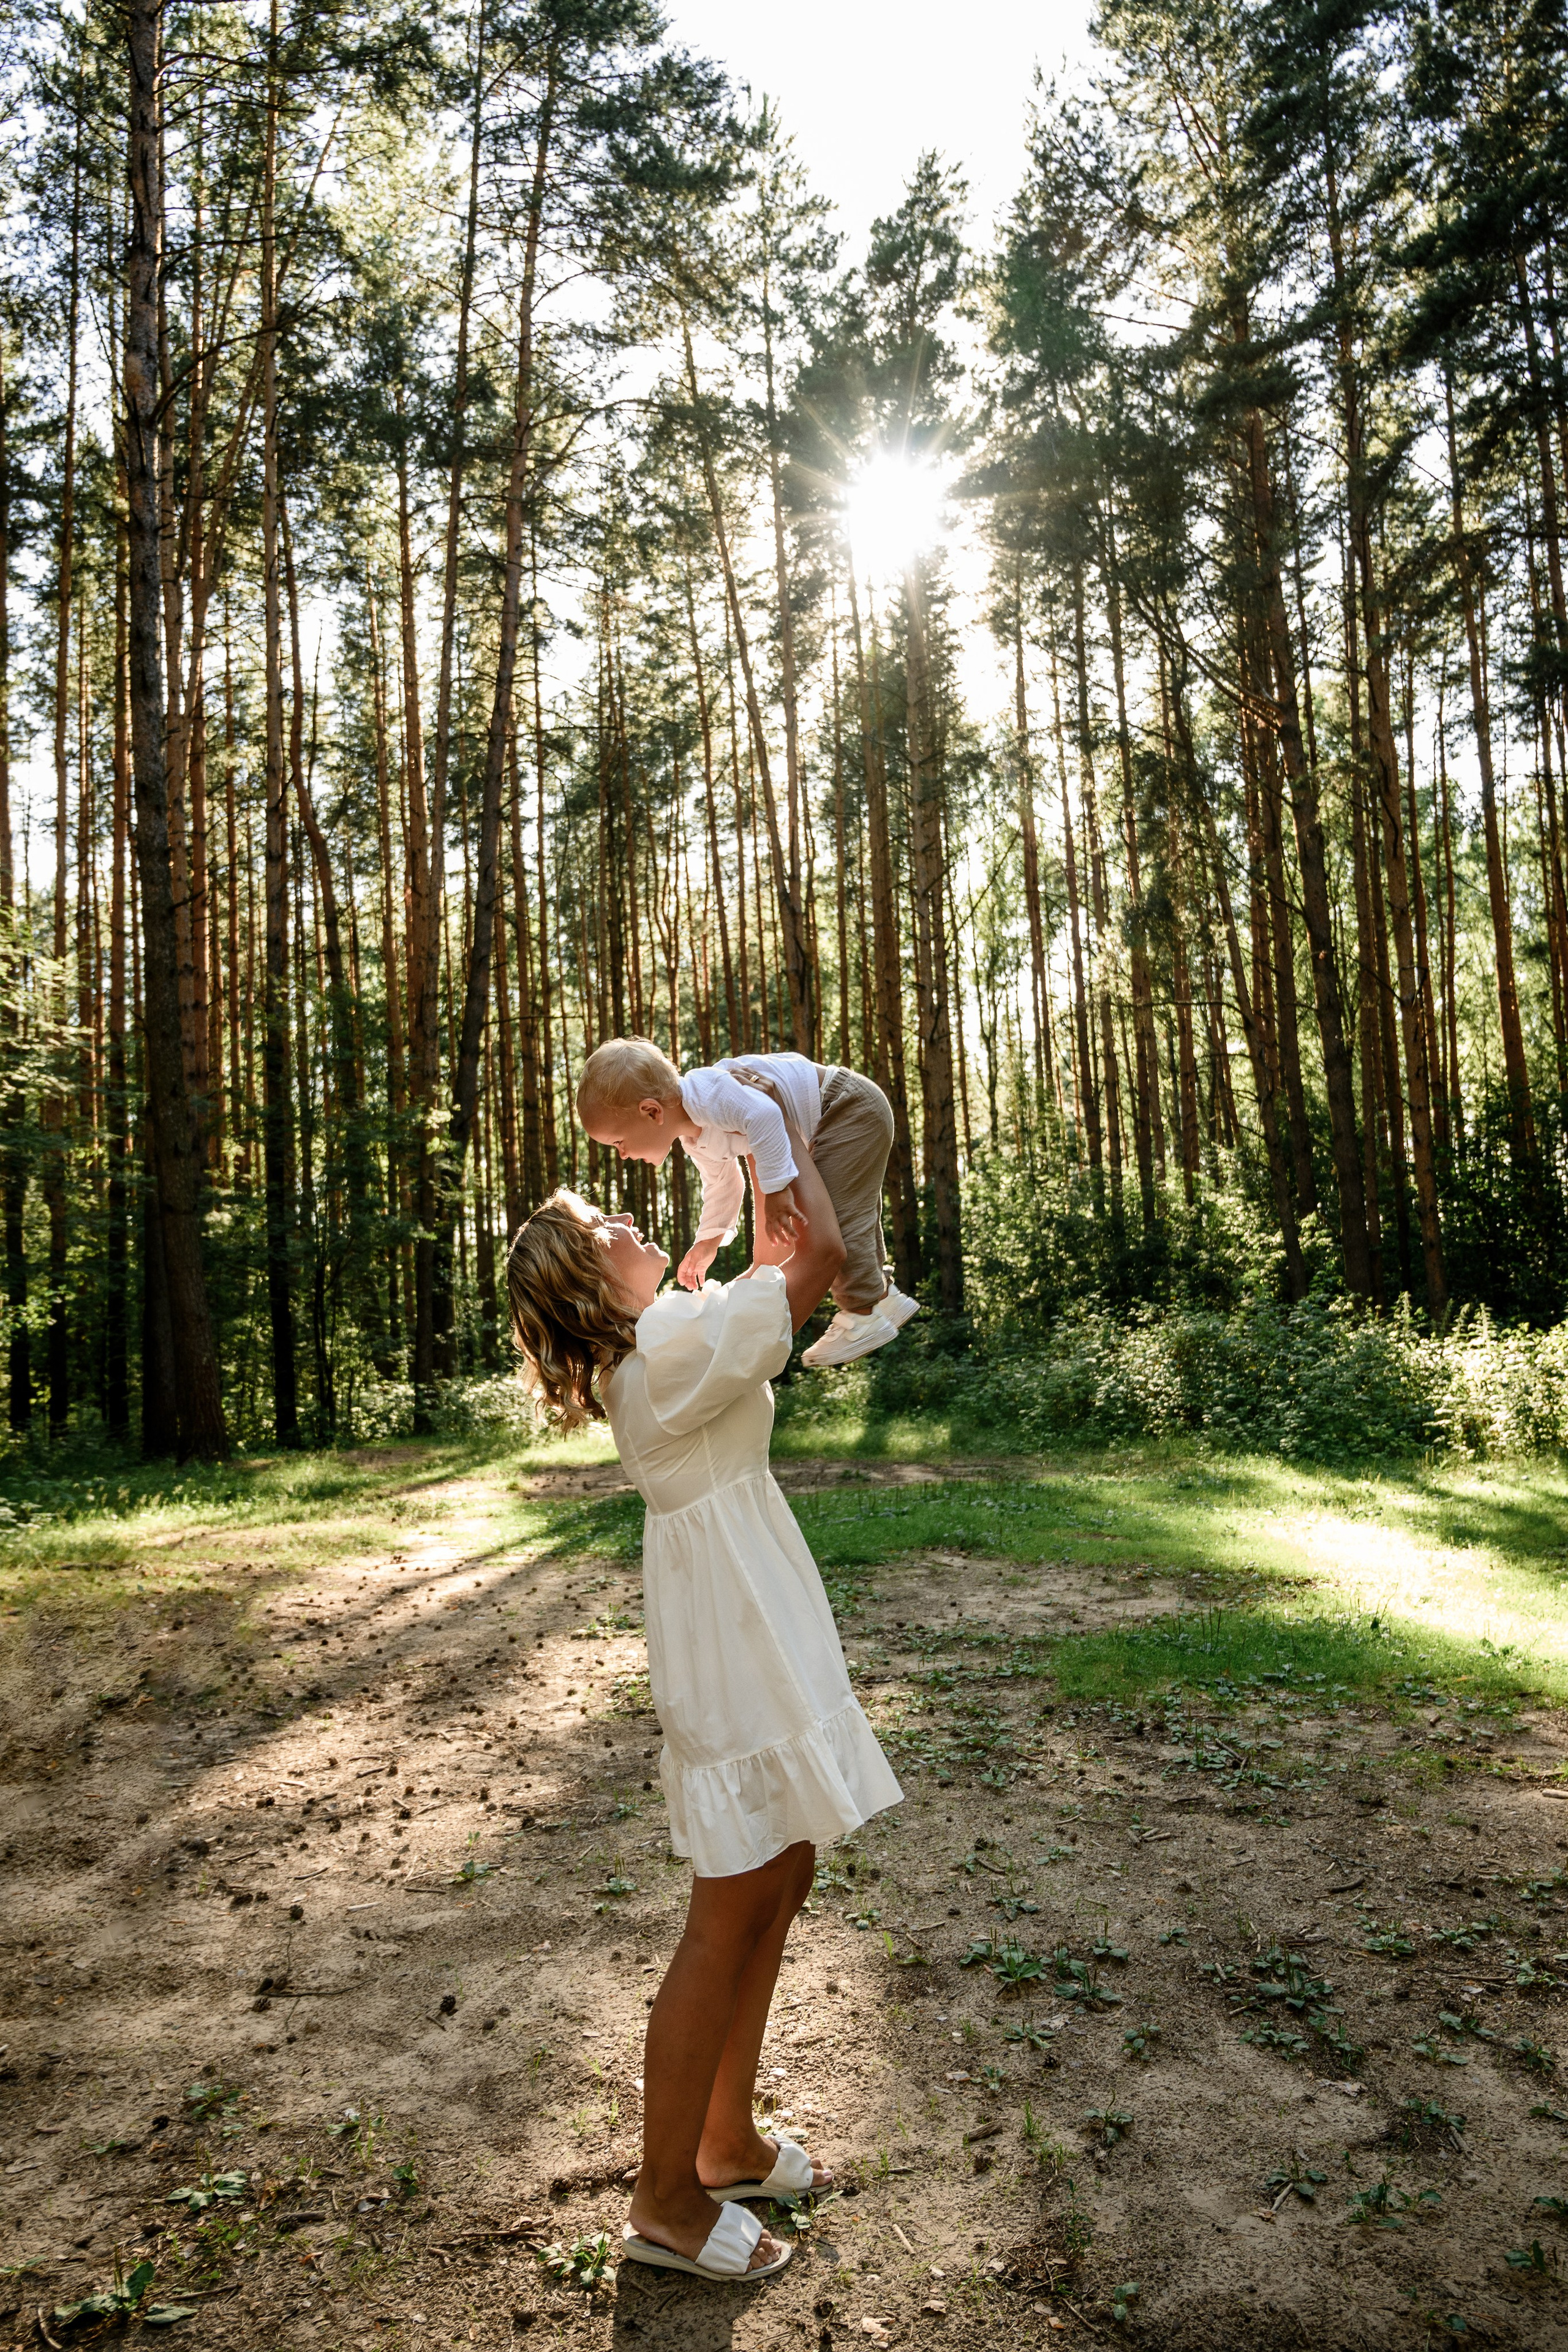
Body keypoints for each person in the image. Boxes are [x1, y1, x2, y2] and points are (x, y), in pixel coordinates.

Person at [506, 1188, 903, 2284]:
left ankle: (726, 2140)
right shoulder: (666, 1356)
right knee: (728, 1911)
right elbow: (818, 1252)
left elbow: (761, 1274)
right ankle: (664, 2200)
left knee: (784, 1875)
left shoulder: (669, 1340)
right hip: (732, 1645)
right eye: (609, 1235)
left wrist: (722, 1246)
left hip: (757, 1617)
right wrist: (786, 1124)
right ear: (591, 1285)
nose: (634, 1226)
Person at [575, 1036, 919, 1368]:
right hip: (841, 1113)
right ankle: (883, 1298)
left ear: (652, 1112)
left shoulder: (711, 1094)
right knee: (852, 1212)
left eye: (618, 1142)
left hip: (844, 1106)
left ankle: (860, 1313)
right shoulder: (694, 1136)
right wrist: (707, 1242)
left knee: (834, 1219)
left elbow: (766, 1116)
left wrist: (779, 1190)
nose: (621, 1154)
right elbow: (724, 1184)